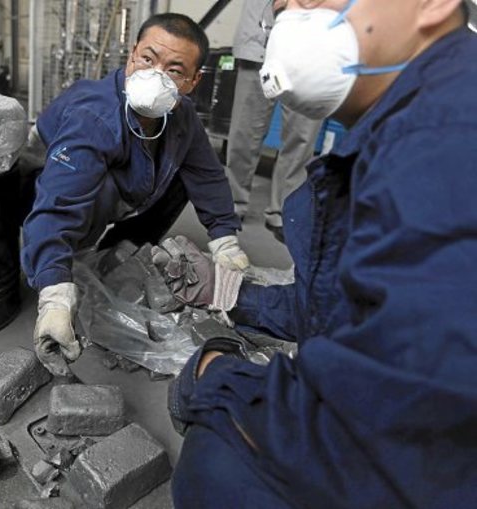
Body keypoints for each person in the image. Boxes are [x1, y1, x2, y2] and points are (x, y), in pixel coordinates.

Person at [163, 0, 477, 507]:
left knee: (219, 458)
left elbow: (383, 424)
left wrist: (216, 377)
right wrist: (228, 292)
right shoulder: (409, 124)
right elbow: (349, 307)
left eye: (309, 0)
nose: (290, 21)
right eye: (281, 7)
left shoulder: (448, 143)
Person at [20, 13, 249, 375]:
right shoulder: (94, 116)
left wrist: (226, 243)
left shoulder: (183, 116)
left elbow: (207, 176)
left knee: (181, 173)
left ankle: (120, 252)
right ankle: (70, 257)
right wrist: (55, 297)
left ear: (193, 81)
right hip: (41, 183)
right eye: (147, 59)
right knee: (98, 188)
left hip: (128, 181)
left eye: (174, 70)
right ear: (131, 56)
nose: (155, 75)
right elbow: (58, 204)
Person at [226, 0, 322, 241]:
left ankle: (284, 210)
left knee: (302, 137)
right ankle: (232, 203)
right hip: (260, 42)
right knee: (245, 132)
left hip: (313, 50)